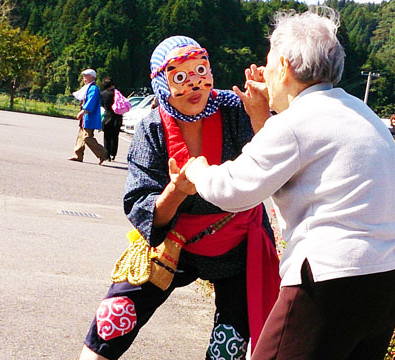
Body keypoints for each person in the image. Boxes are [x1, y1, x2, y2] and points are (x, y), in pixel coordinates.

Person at [183, 8, 395, 359]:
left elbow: (233, 190)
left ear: (285, 66)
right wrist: (263, 117)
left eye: (268, 63)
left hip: (334, 279)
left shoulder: (298, 123)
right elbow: (292, 168)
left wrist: (196, 169)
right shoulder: (359, 111)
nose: (263, 73)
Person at [79, 36, 281, 360]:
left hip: (237, 243)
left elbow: (272, 159)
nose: (194, 85)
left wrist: (261, 113)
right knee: (113, 318)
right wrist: (175, 191)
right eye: (180, 77)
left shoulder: (233, 110)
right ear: (162, 84)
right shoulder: (152, 127)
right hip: (173, 242)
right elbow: (141, 204)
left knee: (228, 347)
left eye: (201, 70)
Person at [68, 68, 108, 165]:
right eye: (83, 76)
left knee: (87, 137)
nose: (84, 78)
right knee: (81, 136)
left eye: (86, 76)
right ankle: (78, 155)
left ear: (92, 77)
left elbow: (91, 101)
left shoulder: (93, 88)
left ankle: (103, 153)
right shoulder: (88, 87)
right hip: (86, 118)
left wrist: (83, 111)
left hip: (89, 117)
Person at [100, 77, 123, 162]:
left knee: (107, 137)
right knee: (115, 137)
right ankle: (113, 154)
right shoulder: (117, 94)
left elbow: (101, 105)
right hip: (117, 117)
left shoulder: (102, 94)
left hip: (107, 117)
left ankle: (107, 154)